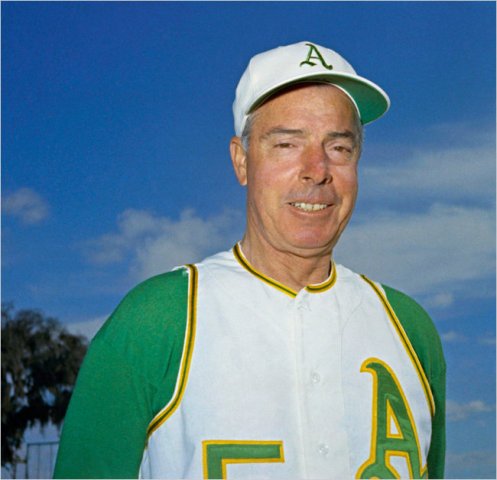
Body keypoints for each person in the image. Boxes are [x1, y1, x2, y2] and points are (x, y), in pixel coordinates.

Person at [54, 41, 445, 479]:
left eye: (339, 148)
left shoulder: (410, 329)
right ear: (241, 162)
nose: (317, 169)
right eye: (286, 144)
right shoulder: (157, 319)